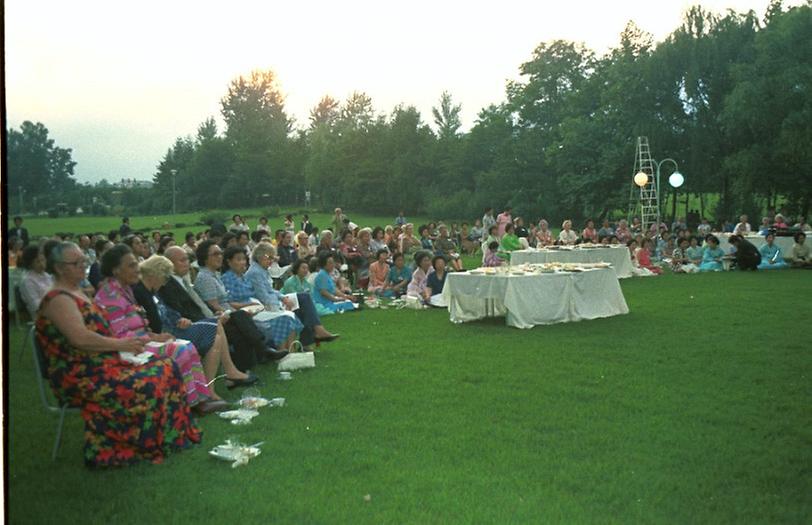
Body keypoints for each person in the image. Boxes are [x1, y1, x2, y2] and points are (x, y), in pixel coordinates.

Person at [36, 241, 200, 467]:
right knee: (151, 379)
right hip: (82, 375)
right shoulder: (58, 299)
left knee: (166, 366)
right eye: (77, 263)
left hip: (102, 363)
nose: (83, 266)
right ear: (59, 267)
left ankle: (168, 437)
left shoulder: (78, 292)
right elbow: (80, 339)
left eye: (83, 261)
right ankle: (141, 443)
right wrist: (122, 344)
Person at [94, 245, 222, 413]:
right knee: (181, 349)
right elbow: (122, 336)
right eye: (131, 265)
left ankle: (200, 397)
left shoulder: (124, 290)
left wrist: (153, 335)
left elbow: (137, 326)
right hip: (127, 351)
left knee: (187, 346)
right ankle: (190, 403)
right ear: (116, 270)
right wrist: (153, 337)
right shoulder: (111, 296)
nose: (137, 269)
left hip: (139, 342)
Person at [134, 256, 254, 403]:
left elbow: (166, 312)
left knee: (216, 339)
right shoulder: (141, 292)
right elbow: (153, 321)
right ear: (155, 274)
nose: (165, 283)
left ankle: (208, 390)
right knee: (215, 325)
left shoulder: (152, 292)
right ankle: (228, 373)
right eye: (165, 278)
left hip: (173, 327)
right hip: (165, 334)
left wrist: (179, 319)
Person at [160, 245, 271, 374]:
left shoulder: (186, 280)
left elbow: (202, 305)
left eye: (187, 259)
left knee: (239, 323)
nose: (187, 263)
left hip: (209, 316)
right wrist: (213, 317)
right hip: (195, 323)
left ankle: (246, 366)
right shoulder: (170, 285)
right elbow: (182, 312)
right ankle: (259, 353)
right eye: (182, 260)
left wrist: (215, 314)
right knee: (239, 319)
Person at [193, 241, 288, 364]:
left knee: (245, 317)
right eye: (215, 254)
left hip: (230, 311)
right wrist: (234, 312)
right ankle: (264, 350)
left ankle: (264, 351)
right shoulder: (206, 277)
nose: (219, 256)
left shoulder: (213, 275)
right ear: (205, 257)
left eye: (220, 253)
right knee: (243, 317)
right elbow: (213, 305)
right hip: (221, 316)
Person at [246, 243, 338, 348]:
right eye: (269, 258)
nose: (271, 261)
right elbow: (264, 296)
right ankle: (313, 335)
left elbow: (270, 291)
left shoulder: (261, 270)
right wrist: (281, 305)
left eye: (273, 258)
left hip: (273, 302)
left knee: (304, 299)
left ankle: (315, 333)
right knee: (303, 301)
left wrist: (283, 298)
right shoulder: (255, 273)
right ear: (260, 256)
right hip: (265, 307)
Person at [221, 246, 302, 352]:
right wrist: (249, 305)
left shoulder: (243, 277)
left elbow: (265, 292)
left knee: (290, 316)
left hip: (256, 307)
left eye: (244, 259)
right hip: (245, 312)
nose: (243, 262)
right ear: (229, 262)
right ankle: (282, 351)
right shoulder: (228, 278)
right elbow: (229, 303)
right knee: (284, 318)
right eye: (238, 259)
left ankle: (290, 351)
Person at [18, 244, 54, 317]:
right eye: (37, 262)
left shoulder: (46, 275)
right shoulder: (27, 281)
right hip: (44, 318)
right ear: (30, 263)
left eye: (43, 260)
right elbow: (36, 307)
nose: (42, 264)